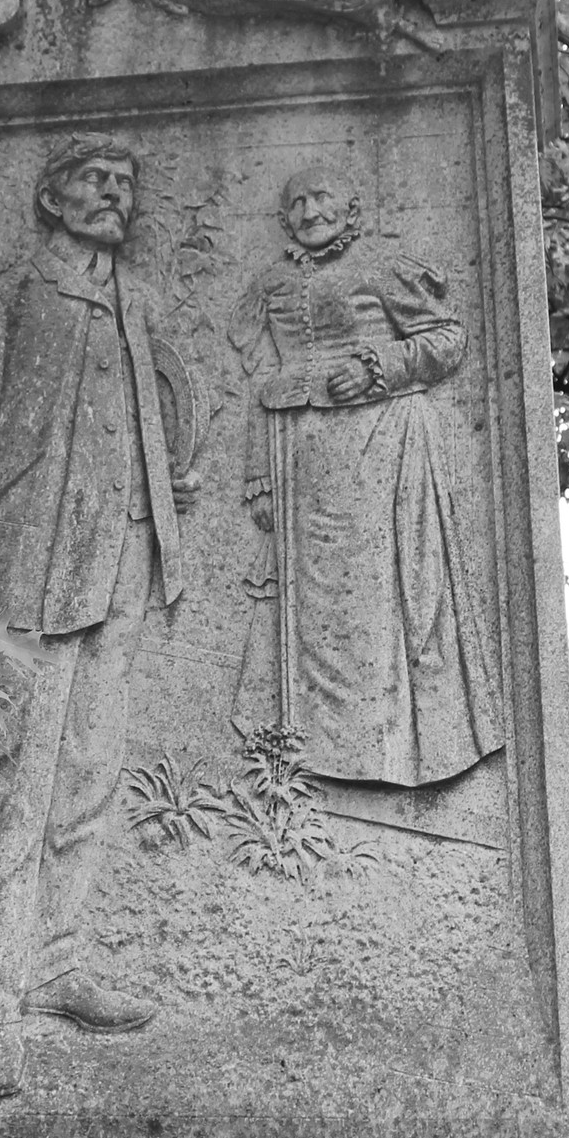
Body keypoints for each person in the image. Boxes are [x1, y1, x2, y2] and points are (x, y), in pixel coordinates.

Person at [0, 133, 199, 1097]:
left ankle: (58, 964)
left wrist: (168, 492)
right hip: (23, 577)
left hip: (120, 569)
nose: (115, 193)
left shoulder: (138, 302)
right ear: (48, 196)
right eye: (95, 179)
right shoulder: (0, 300)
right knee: (2, 788)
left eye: (127, 182)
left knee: (84, 776)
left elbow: (170, 402)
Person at [228, 164, 503, 787]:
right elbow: (260, 383)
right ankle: (314, 758)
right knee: (310, 607)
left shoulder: (384, 267)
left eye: (322, 196)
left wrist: (378, 367)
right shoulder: (271, 282)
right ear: (283, 219)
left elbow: (447, 339)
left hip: (381, 446)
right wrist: (259, 478)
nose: (310, 211)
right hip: (301, 457)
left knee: (375, 600)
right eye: (296, 203)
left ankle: (386, 756)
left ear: (350, 207)